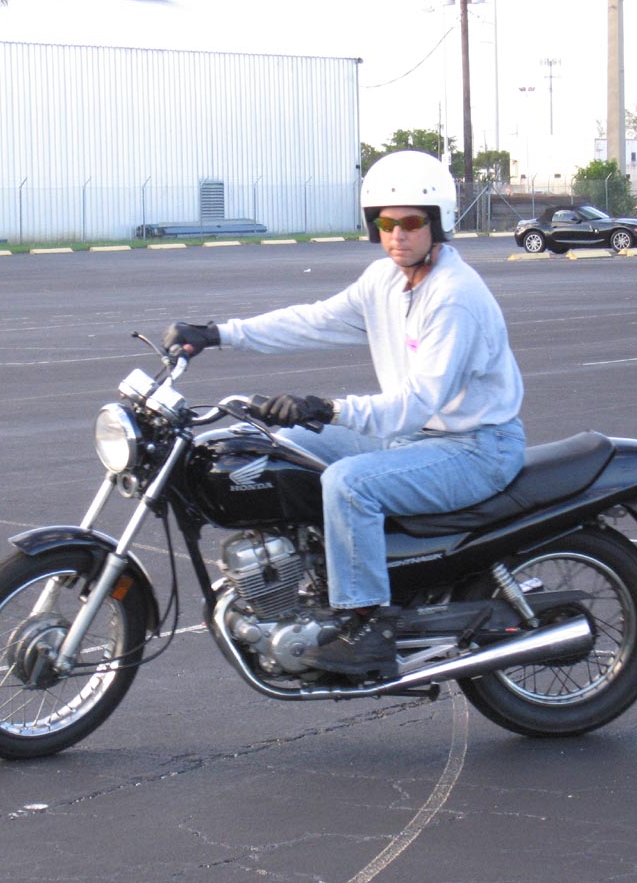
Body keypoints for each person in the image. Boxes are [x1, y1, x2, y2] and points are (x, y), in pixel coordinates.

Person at [162, 150, 526, 678]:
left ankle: (367, 625)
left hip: (475, 447)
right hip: (417, 439)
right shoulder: (385, 281)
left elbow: (414, 404)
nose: (397, 234)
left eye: (411, 222)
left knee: (349, 484)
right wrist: (218, 334)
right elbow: (312, 321)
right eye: (385, 222)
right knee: (265, 445)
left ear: (438, 222)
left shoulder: (454, 297)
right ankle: (309, 579)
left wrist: (325, 409)